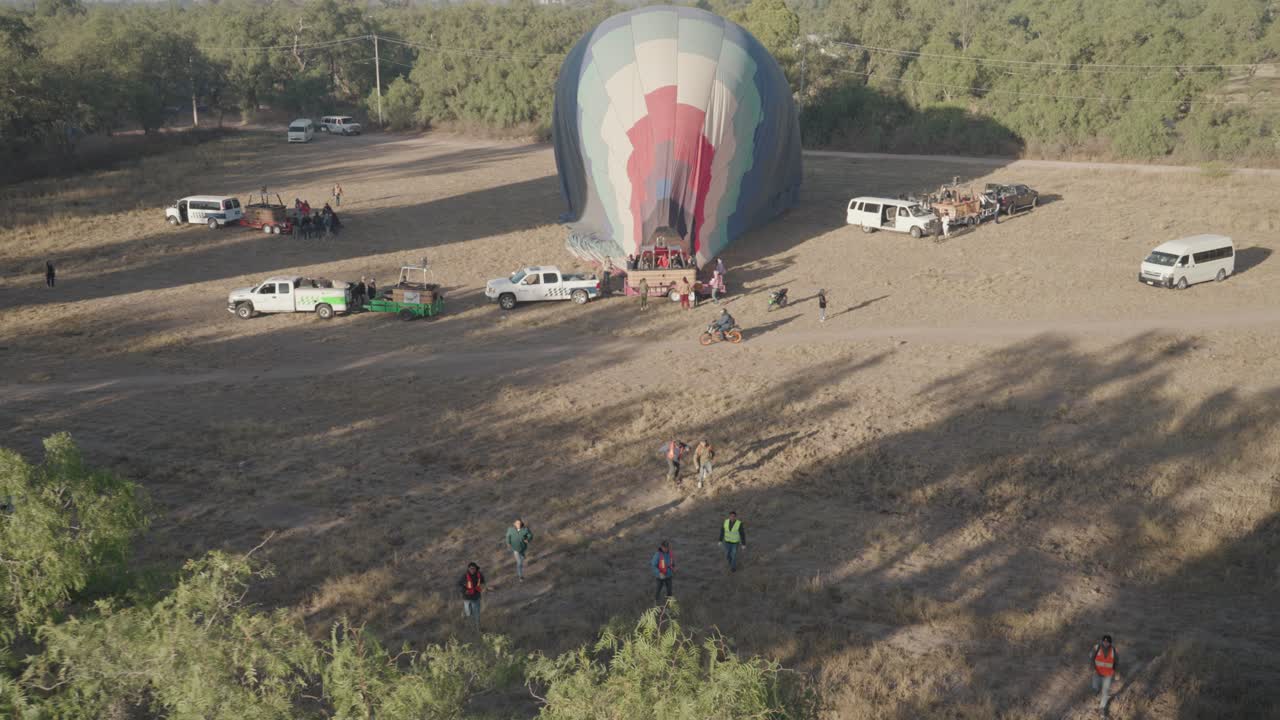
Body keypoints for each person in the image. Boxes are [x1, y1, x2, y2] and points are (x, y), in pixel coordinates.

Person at [1090, 634, 1119, 712]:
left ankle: (1102, 707)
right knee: (1095, 687)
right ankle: (1096, 693)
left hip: (1108, 675)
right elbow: (1091, 658)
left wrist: (1116, 673)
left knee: (1105, 691)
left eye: (1107, 642)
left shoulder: (1114, 650)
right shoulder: (1096, 647)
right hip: (1097, 672)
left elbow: (1116, 663)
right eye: (1104, 641)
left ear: (1110, 643)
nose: (1105, 643)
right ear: (1102, 641)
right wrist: (1092, 668)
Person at [457, 562, 485, 629]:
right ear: (468, 569)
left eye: (473, 568)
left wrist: (484, 588)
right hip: (467, 598)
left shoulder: (479, 575)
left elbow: (483, 583)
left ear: (476, 569)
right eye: (471, 569)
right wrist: (464, 591)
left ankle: (477, 629)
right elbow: (459, 584)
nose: (472, 570)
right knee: (468, 614)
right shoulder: (464, 576)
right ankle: (470, 628)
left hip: (476, 598)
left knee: (476, 615)